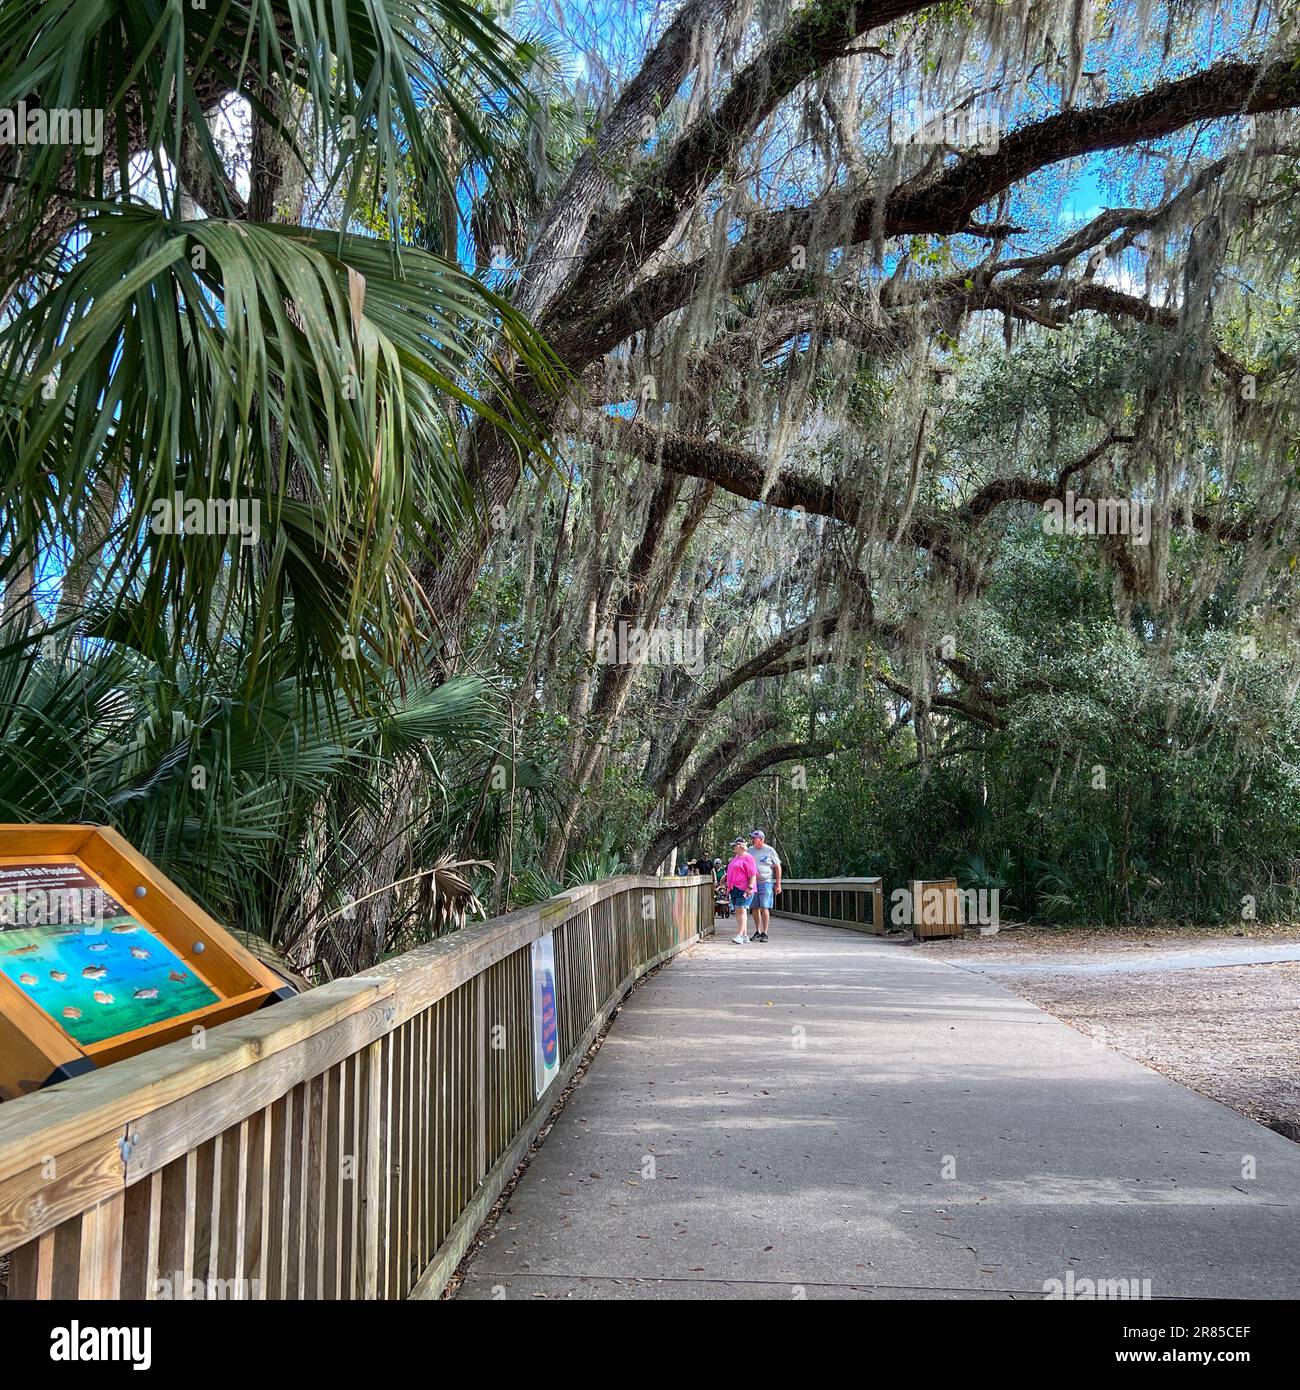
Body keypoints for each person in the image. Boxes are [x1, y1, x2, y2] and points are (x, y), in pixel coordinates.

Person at [747, 829, 782, 942]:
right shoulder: (750, 850)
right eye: (752, 838)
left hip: (766, 882)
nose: (752, 840)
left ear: (761, 839)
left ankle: (765, 933)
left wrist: (778, 883)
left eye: (754, 838)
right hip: (753, 883)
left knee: (764, 907)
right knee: (754, 908)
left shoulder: (769, 850)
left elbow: (777, 867)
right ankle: (758, 931)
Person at [725, 837, 757, 944]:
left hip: (744, 889)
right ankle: (744, 935)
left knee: (742, 911)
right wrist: (728, 887)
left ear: (740, 846)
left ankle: (739, 935)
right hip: (734, 888)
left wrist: (750, 888)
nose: (733, 847)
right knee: (738, 912)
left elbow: (753, 874)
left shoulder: (748, 858)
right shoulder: (736, 858)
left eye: (735, 845)